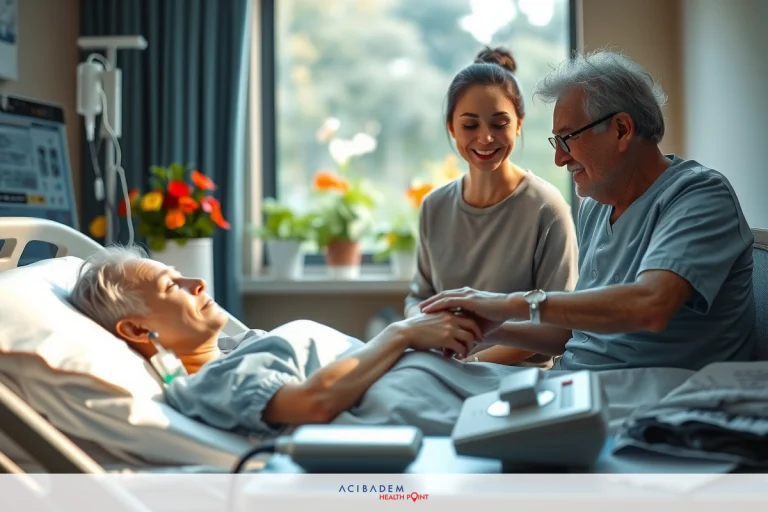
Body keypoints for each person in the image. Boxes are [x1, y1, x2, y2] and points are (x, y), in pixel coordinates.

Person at [420, 50, 757, 372]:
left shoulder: (700, 196)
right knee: (413, 383)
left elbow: (651, 305)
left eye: (568, 138)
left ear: (622, 129)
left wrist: (507, 303)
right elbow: (569, 333)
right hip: (576, 385)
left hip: (653, 399)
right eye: (556, 142)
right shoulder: (595, 206)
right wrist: (485, 328)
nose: (560, 158)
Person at [69, 245, 510, 436]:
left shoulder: (239, 349)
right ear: (137, 330)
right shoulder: (207, 383)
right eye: (172, 285)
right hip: (461, 413)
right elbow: (310, 403)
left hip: (475, 388)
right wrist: (401, 333)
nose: (198, 281)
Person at [405, 47, 578, 367]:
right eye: (470, 125)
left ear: (519, 124)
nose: (485, 138)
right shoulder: (434, 207)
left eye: (499, 124)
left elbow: (559, 332)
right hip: (441, 368)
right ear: (451, 128)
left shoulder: (547, 208)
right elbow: (419, 297)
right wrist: (426, 327)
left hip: (517, 380)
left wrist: (472, 362)